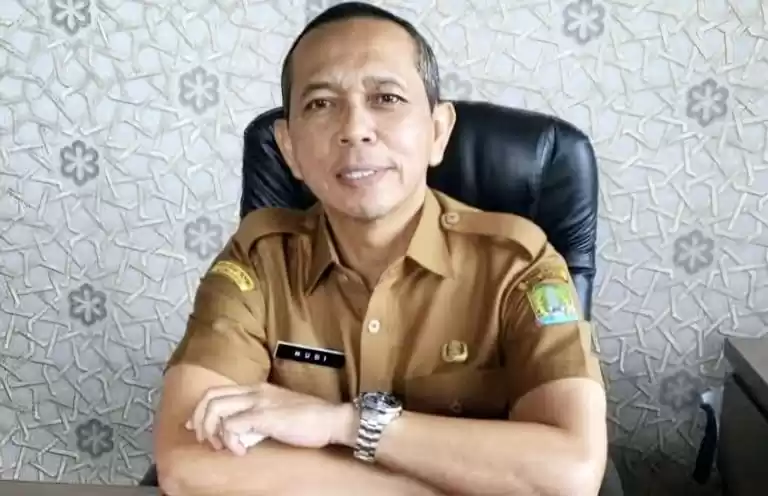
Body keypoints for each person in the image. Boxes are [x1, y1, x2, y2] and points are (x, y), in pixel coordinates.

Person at [152, 2, 607, 495]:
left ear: (438, 132)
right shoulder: (260, 259)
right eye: (321, 104)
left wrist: (343, 424)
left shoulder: (517, 264)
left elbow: (570, 473)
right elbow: (188, 461)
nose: (354, 129)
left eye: (386, 98)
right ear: (289, 148)